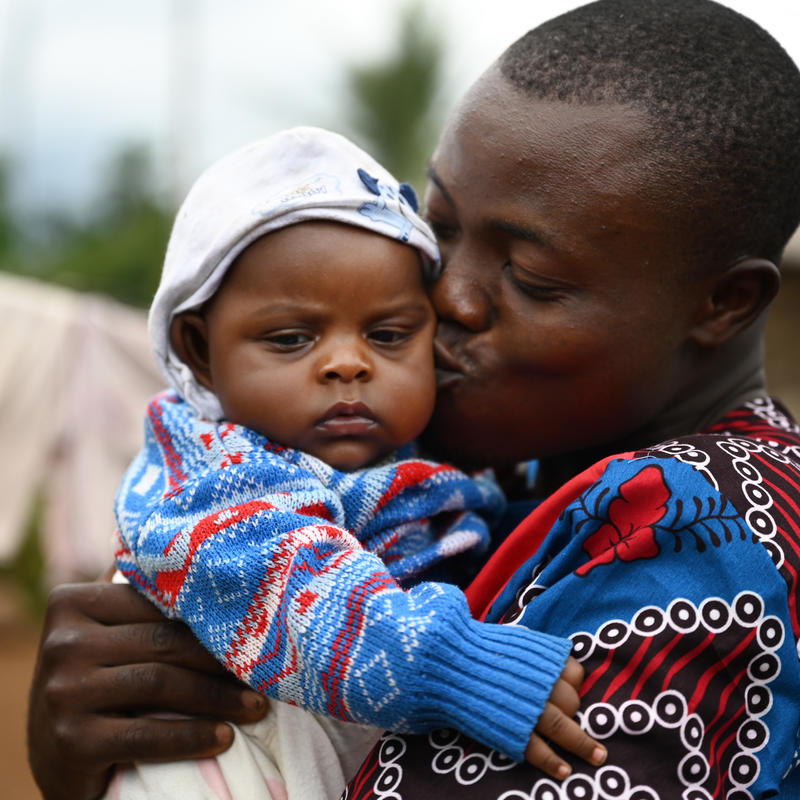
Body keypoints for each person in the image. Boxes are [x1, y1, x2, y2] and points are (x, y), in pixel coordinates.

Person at [26, 0, 800, 797]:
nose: (449, 301)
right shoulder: (502, 471)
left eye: (531, 280)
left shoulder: (685, 530)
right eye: (441, 229)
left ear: (725, 303)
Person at [104, 126, 604, 798]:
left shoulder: (412, 451)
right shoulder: (215, 469)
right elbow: (289, 583)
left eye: (389, 335)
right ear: (199, 350)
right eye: (291, 338)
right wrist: (455, 666)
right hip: (229, 751)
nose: (348, 362)